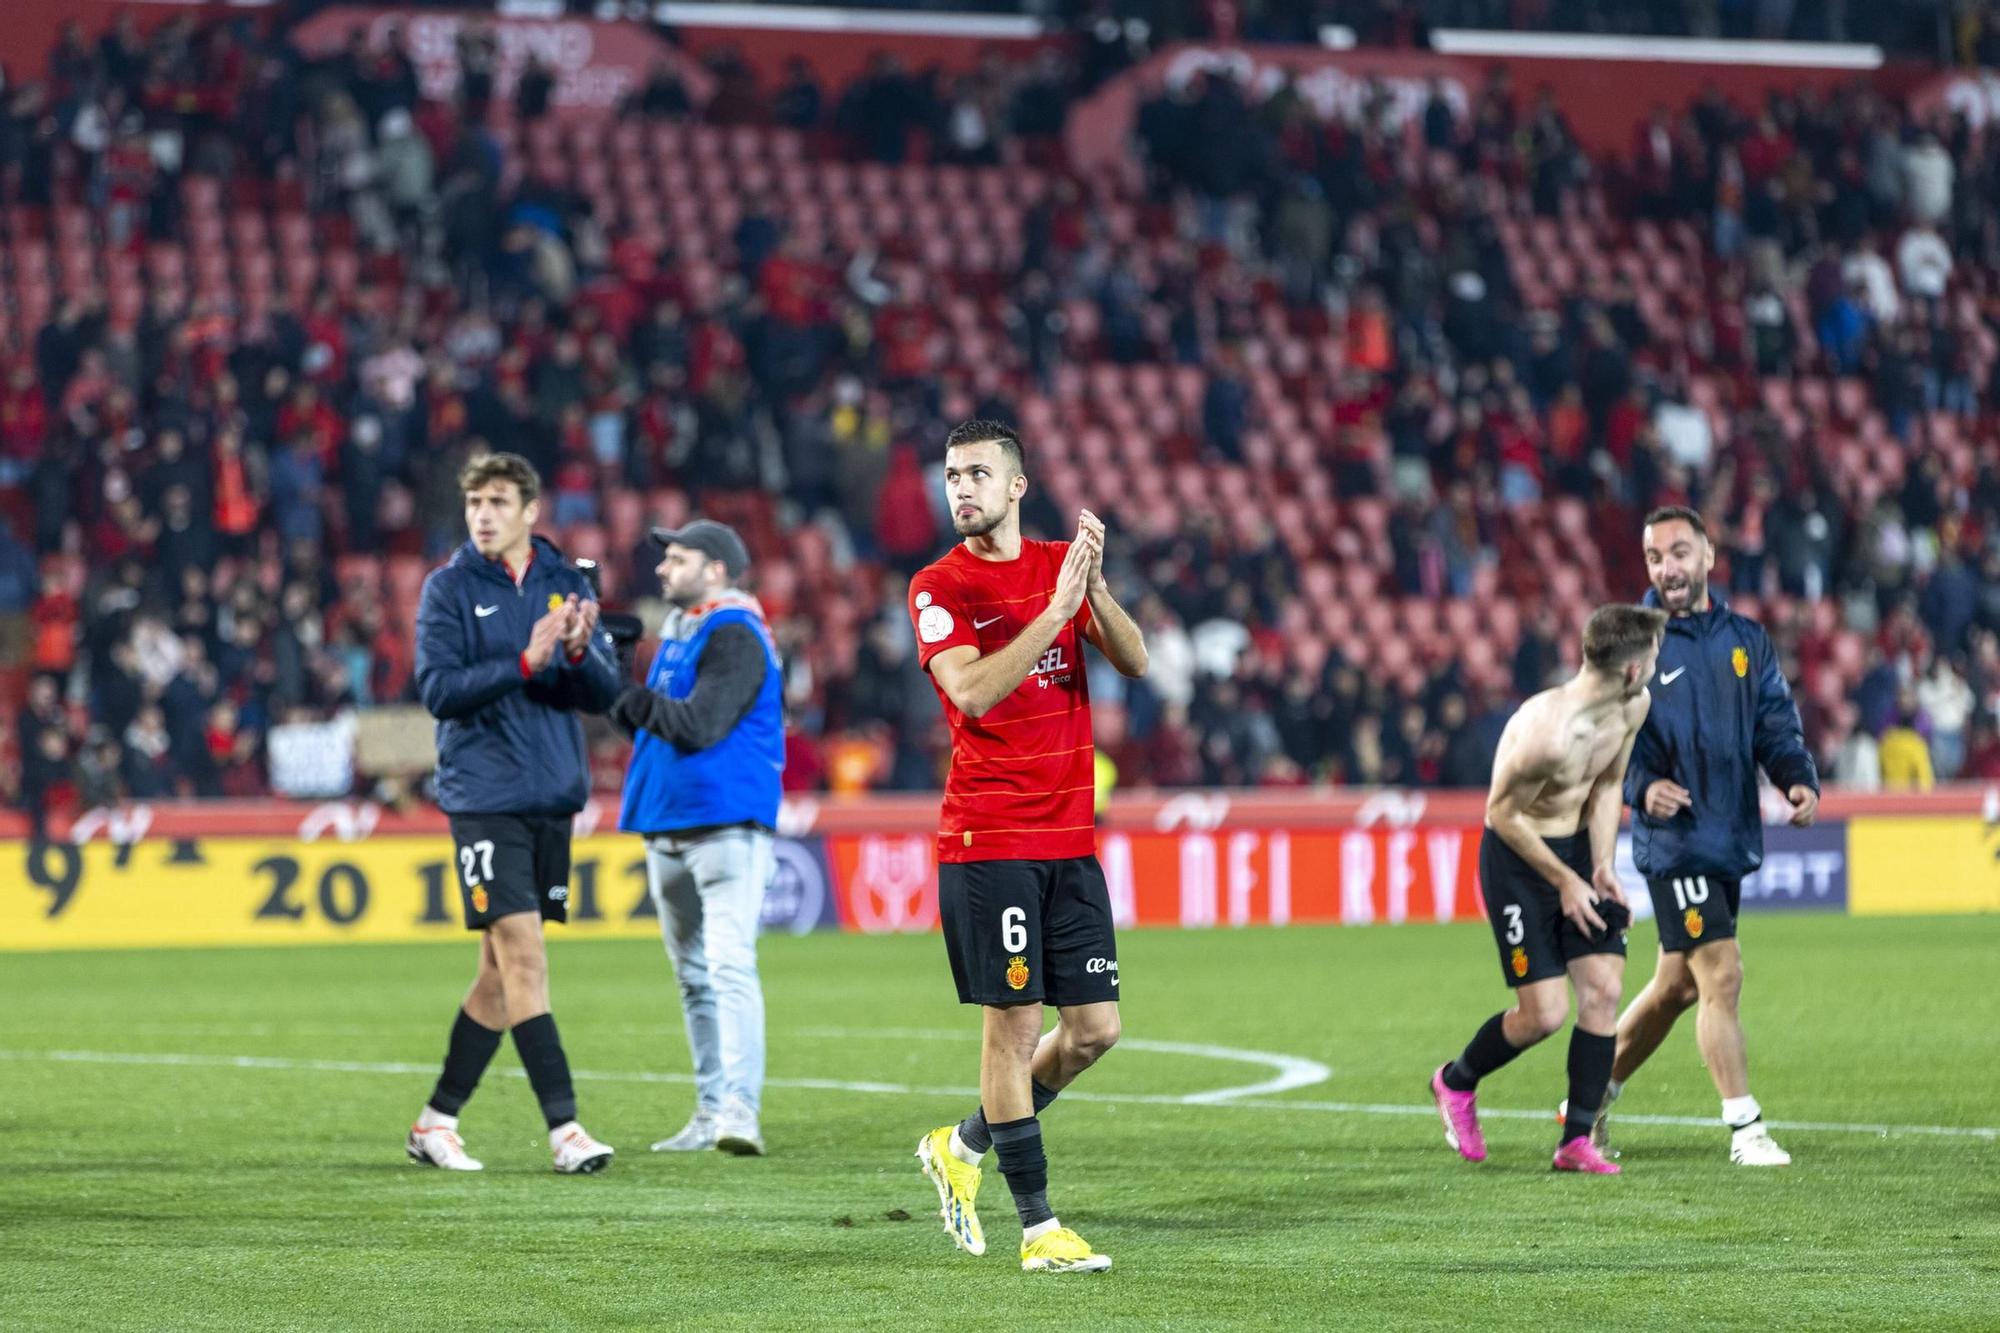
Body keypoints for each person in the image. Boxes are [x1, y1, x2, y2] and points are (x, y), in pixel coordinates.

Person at [908, 419, 1148, 1274]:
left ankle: (962, 1144)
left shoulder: (1060, 565)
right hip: (990, 837)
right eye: (950, 475)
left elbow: (1137, 659)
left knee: (1094, 1030)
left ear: (1017, 486)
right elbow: (971, 690)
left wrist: (1093, 591)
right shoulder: (939, 584)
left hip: (1069, 839)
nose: (960, 488)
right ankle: (1039, 1227)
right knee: (1010, 1030)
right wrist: (1053, 614)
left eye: (977, 473)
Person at [406, 452, 623, 1174]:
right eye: (475, 502)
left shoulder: (569, 582)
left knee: (500, 976)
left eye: (499, 500)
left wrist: (584, 652)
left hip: (552, 796)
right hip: (484, 798)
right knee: (526, 957)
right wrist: (526, 663)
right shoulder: (447, 589)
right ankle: (565, 1130)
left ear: (531, 510)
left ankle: (435, 1122)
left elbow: (602, 693)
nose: (484, 514)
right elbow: (438, 689)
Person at [1601, 506, 1819, 1167]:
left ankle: (1586, 1099)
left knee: (1679, 984)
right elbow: (1607, 734)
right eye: (1653, 557)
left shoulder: (1746, 640)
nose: (1666, 567)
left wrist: (1796, 776)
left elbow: (1775, 723)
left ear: (1707, 557)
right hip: (1674, 840)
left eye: (1677, 553)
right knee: (1721, 972)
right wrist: (1642, 786)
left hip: (1727, 834)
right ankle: (1745, 1127)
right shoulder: (1631, 643)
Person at [1429, 604, 1663, 1176]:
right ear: (1631, 669)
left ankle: (1576, 1140)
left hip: (1582, 850)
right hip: (1518, 860)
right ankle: (1455, 1081)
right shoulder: (1547, 735)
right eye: (1653, 657)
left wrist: (1602, 866)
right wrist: (1563, 882)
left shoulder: (1633, 706)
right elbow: (1501, 815)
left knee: (1604, 989)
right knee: (1544, 1014)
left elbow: (1609, 781)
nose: (1658, 664)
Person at [610, 519, 784, 1156]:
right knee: (693, 975)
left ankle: (740, 1110)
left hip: (725, 822)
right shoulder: (683, 633)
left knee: (728, 964)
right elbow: (654, 726)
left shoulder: (735, 631)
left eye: (678, 558)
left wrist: (618, 693)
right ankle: (711, 1110)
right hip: (668, 820)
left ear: (715, 569)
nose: (663, 568)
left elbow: (699, 725)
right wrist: (608, 682)